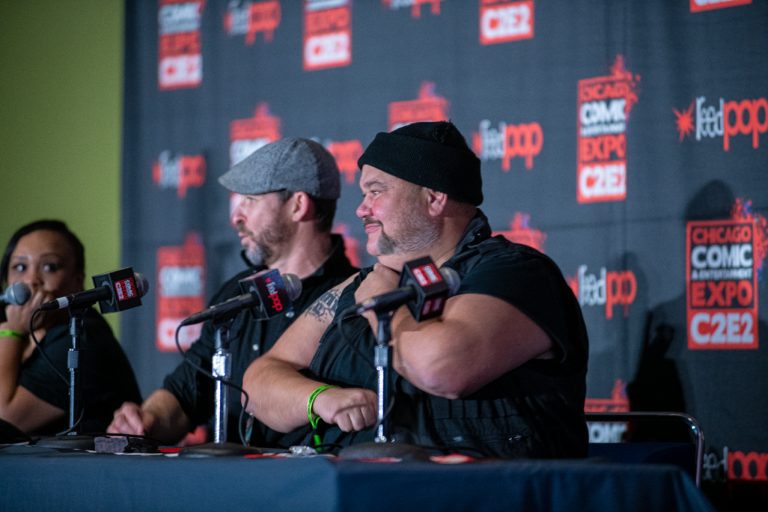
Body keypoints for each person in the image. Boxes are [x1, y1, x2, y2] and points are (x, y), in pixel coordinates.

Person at [241, 121, 590, 459]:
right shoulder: (364, 283)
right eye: (364, 194)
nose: (362, 209)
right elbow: (260, 380)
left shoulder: (514, 272)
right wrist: (318, 399)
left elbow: (442, 371)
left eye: (376, 191)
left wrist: (382, 305)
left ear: (435, 198)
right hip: (349, 491)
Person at [108, 138, 356, 446]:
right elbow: (188, 391)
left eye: (250, 201)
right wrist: (147, 419)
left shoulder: (352, 299)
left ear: (298, 205)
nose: (236, 217)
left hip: (303, 485)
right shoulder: (236, 293)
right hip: (224, 483)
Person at [0, 219, 142, 436]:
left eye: (50, 267)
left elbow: (5, 419)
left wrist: (12, 331)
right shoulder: (28, 337)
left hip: (99, 469)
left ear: (78, 280)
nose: (31, 280)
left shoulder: (81, 337)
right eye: (20, 267)